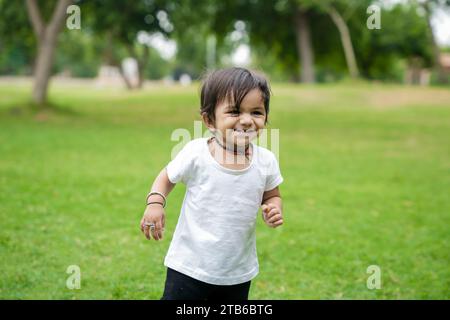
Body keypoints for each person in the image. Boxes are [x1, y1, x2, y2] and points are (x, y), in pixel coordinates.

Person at [140, 67, 284, 300]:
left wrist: (274, 208)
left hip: (237, 271)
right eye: (235, 112)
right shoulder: (197, 153)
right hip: (188, 266)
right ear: (209, 119)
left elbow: (272, 195)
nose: (247, 121)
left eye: (256, 112)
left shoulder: (266, 160)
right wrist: (155, 202)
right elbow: (166, 177)